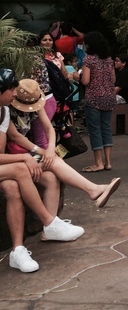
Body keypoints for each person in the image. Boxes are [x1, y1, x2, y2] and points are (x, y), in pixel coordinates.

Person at [1, 69, 84, 274]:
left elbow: (18, 138)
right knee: (21, 168)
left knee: (12, 187)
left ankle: (17, 251)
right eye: (11, 89)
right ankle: (49, 222)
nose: (14, 93)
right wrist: (24, 157)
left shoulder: (3, 112)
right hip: (9, 163)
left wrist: (39, 151)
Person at [7, 78, 121, 209]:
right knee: (54, 161)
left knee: (51, 177)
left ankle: (52, 220)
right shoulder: (7, 109)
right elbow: (15, 136)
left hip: (26, 152)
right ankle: (92, 189)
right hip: (14, 155)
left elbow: (49, 128)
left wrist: (50, 148)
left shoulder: (34, 101)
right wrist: (42, 151)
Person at [80, 31, 116, 172]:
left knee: (95, 130)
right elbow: (113, 79)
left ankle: (98, 163)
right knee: (106, 128)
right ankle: (108, 162)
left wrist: (78, 76)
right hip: (109, 97)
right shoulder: (109, 60)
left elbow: (85, 81)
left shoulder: (88, 60)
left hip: (94, 98)